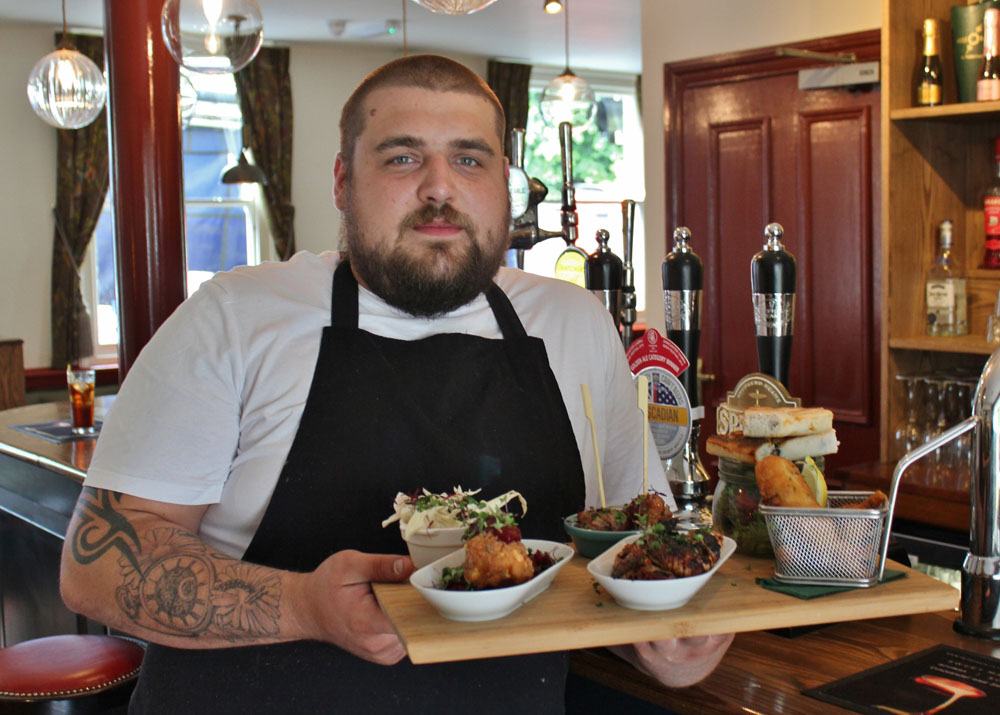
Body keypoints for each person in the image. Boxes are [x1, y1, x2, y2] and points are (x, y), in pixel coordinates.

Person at [60, 54, 731, 713]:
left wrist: (670, 641)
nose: (440, 187)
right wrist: (302, 606)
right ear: (342, 180)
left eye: (470, 158)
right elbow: (95, 567)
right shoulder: (236, 316)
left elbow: (624, 564)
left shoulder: (576, 324)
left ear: (506, 183)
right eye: (402, 157)